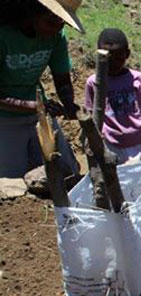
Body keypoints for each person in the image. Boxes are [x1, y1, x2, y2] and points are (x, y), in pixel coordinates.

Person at [0, 0, 82, 178]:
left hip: (40, 116)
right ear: (31, 13)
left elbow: (62, 79)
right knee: (11, 181)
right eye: (51, 23)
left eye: (62, 24)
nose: (56, 29)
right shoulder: (4, 36)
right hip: (5, 120)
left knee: (66, 172)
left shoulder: (56, 36)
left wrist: (68, 103)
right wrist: (34, 106)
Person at [85, 29, 141, 164]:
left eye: (118, 59)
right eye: (108, 60)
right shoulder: (94, 83)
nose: (113, 64)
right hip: (112, 146)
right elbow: (91, 116)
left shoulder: (138, 79)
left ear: (127, 54)